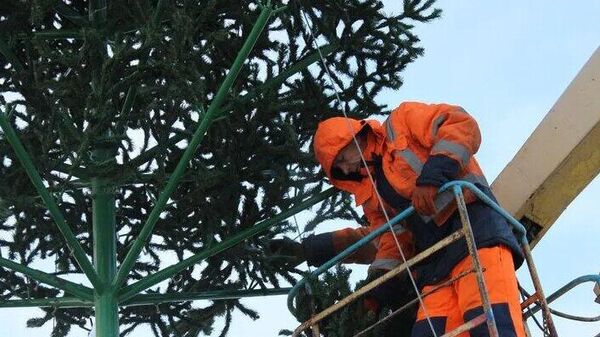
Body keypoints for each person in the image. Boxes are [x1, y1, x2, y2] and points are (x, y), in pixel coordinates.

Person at [296, 101, 525, 337]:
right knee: (430, 331)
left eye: (342, 159)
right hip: (434, 264)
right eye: (338, 169)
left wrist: (433, 175)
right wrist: (376, 292)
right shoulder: (371, 197)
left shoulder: (402, 122)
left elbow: (459, 123)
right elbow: (393, 242)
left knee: (491, 323)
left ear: (355, 138)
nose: (345, 170)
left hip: (474, 233)